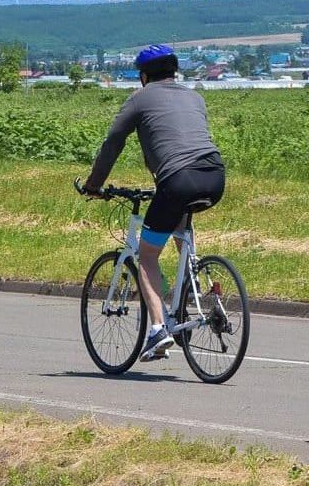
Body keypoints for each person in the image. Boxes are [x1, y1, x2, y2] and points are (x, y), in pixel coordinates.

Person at [80, 44, 225, 362]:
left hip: (176, 181)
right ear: (174, 71)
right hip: (214, 176)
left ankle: (158, 329)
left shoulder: (139, 98)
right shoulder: (194, 97)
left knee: (146, 256)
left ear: (143, 76)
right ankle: (200, 296)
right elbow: (176, 143)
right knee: (180, 229)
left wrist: (94, 185)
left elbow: (112, 143)